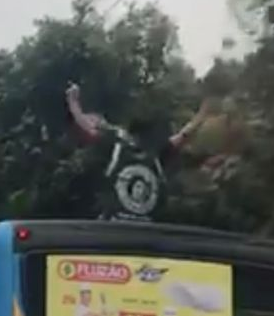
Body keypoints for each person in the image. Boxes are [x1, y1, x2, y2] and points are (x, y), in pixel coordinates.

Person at [65, 82, 211, 219]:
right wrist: (73, 102)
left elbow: (183, 136)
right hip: (118, 229)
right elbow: (183, 136)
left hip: (140, 232)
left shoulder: (149, 147)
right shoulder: (118, 142)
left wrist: (203, 113)